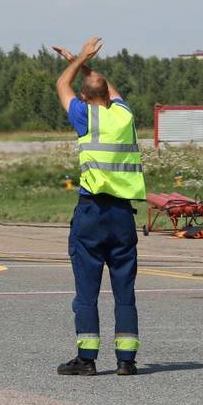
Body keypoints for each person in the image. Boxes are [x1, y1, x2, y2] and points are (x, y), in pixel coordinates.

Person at [51, 37, 145, 377]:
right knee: (125, 291)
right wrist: (85, 61)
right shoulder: (124, 115)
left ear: (88, 98)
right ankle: (126, 360)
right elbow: (108, 88)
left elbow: (62, 83)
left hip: (92, 213)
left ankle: (87, 359)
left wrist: (75, 61)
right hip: (122, 215)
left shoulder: (84, 116)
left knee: (87, 292)